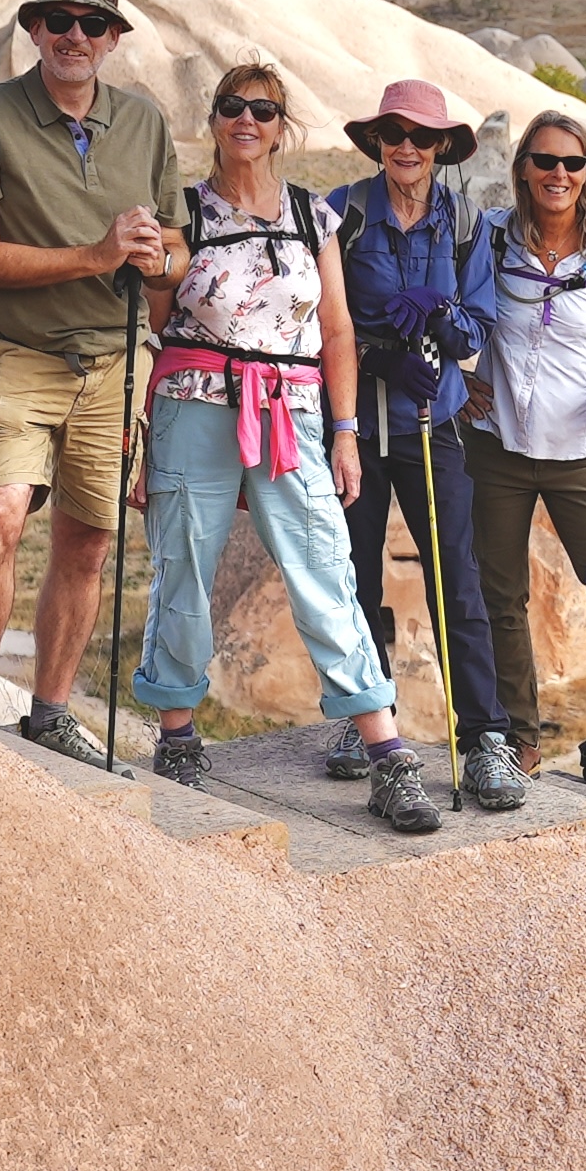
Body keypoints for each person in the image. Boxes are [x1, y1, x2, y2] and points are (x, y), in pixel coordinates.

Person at [130, 64, 432, 832]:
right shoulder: (186, 212)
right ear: (216, 117)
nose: (246, 120)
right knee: (183, 564)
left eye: (262, 110)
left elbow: (334, 332)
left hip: (291, 406)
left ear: (280, 123)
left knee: (324, 565)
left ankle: (386, 752)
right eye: (232, 106)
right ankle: (178, 735)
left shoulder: (311, 215)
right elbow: (159, 320)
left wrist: (345, 433)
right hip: (193, 398)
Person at [0, 0, 178, 758]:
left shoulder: (144, 124)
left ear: (114, 40)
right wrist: (96, 254)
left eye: (94, 24)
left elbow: (173, 243)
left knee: (88, 542)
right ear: (33, 30)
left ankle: (50, 711)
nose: (76, 35)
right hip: (18, 351)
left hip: (115, 361)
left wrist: (157, 260)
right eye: (59, 20)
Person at [326, 79, 520, 812]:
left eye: (421, 136)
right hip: (358, 425)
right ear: (377, 141)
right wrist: (380, 352)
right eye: (393, 134)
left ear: (442, 147)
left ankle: (483, 744)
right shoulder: (341, 215)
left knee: (457, 579)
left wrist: (441, 318)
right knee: (353, 574)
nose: (406, 147)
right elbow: (324, 320)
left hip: (431, 424)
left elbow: (478, 320)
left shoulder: (465, 223)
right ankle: (362, 720)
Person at [457, 108, 586, 811]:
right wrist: (458, 385)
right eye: (544, 162)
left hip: (583, 452)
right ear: (521, 171)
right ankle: (518, 741)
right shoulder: (487, 238)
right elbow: (457, 316)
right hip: (498, 446)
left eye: (573, 164)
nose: (559, 175)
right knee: (499, 600)